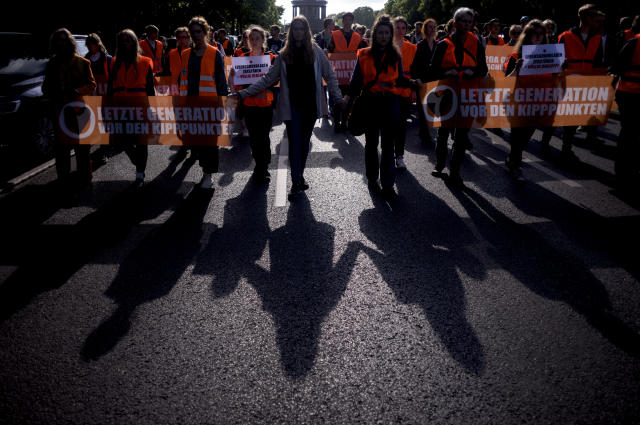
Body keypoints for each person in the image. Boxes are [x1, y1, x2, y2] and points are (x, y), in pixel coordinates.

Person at [234, 15, 343, 200]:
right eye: (296, 29)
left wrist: (337, 97)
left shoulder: (316, 51)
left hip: (310, 106)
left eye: (302, 28)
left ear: (306, 31)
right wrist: (242, 93)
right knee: (295, 143)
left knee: (304, 144)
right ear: (292, 32)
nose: (299, 32)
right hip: (291, 106)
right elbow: (268, 79)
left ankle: (299, 174)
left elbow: (330, 75)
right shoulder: (284, 55)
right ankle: (296, 180)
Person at [347, 14, 415, 199]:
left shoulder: (396, 54)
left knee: (388, 145)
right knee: (371, 144)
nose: (383, 36)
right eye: (380, 33)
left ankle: (388, 183)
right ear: (374, 35)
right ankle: (371, 177)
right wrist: (347, 99)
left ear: (390, 35)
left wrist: (412, 83)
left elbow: (400, 78)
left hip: (390, 102)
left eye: (387, 33)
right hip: (370, 102)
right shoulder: (364, 54)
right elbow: (356, 81)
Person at [428, 7, 488, 187]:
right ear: (455, 23)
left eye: (470, 22)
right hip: (446, 95)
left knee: (461, 136)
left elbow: (483, 68)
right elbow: (433, 70)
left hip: (467, 95)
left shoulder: (476, 42)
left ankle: (455, 171)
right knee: (443, 133)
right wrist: (448, 71)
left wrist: (473, 71)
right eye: (463, 21)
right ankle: (439, 164)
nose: (467, 25)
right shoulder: (443, 44)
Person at [179, 16, 229, 190]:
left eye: (198, 32)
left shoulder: (214, 53)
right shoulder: (185, 54)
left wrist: (223, 105)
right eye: (192, 33)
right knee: (196, 142)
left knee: (209, 142)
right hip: (190, 105)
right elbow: (181, 81)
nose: (195, 35)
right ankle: (205, 167)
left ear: (206, 32)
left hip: (210, 105)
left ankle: (208, 174)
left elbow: (222, 83)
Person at [42, 28, 96, 187]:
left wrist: (77, 91)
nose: (61, 43)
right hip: (60, 112)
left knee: (83, 149)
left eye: (64, 39)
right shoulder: (51, 64)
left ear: (70, 42)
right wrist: (54, 92)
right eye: (58, 40)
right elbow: (45, 88)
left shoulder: (83, 62)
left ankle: (85, 178)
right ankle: (63, 179)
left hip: (80, 111)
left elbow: (92, 84)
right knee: (62, 149)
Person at [558, 3, 606, 162]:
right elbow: (556, 60)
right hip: (568, 82)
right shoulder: (565, 36)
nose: (595, 18)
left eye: (595, 15)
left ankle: (567, 146)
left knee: (577, 116)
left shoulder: (597, 38)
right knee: (568, 117)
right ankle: (564, 148)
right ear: (582, 17)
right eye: (592, 15)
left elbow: (598, 62)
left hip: (586, 83)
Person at [107, 29, 155, 185]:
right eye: (122, 40)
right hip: (121, 107)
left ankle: (140, 173)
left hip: (140, 106)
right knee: (123, 140)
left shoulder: (145, 62)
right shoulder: (114, 61)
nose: (124, 43)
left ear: (134, 42)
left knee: (141, 141)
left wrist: (153, 109)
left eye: (128, 40)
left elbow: (150, 89)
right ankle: (137, 161)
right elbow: (110, 87)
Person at [503, 20, 549, 179]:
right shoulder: (516, 56)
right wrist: (516, 69)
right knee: (517, 137)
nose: (537, 37)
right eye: (534, 33)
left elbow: (554, 81)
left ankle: (512, 158)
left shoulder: (550, 56)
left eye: (541, 34)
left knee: (525, 138)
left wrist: (561, 69)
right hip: (518, 103)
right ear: (527, 35)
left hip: (537, 104)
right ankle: (515, 165)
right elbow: (506, 81)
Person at [231, 26, 277, 183]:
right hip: (249, 105)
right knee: (254, 138)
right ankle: (259, 163)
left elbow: (278, 81)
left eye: (257, 38)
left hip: (266, 105)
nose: (254, 41)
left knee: (263, 137)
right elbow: (236, 83)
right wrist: (234, 78)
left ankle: (263, 167)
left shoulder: (271, 58)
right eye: (251, 38)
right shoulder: (242, 58)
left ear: (263, 40)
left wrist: (272, 73)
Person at [610, 22, 640, 191]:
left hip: (629, 93)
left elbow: (616, 66)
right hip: (630, 94)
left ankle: (626, 171)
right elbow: (617, 66)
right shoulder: (634, 42)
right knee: (630, 133)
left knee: (630, 133)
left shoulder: (634, 42)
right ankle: (624, 173)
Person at [328, 12, 368, 132]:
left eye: (350, 19)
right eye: (345, 19)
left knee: (349, 99)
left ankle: (344, 121)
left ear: (352, 21)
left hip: (351, 72)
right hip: (338, 71)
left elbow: (361, 52)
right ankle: (336, 122)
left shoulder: (357, 36)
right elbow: (330, 50)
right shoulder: (334, 34)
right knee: (337, 98)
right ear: (342, 21)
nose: (347, 21)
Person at [392, 16, 417, 170]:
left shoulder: (412, 48)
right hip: (387, 89)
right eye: (398, 27)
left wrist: (414, 90)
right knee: (389, 125)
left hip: (405, 90)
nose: (401, 31)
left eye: (403, 28)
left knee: (401, 125)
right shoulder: (386, 45)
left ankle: (399, 156)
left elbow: (415, 71)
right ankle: (389, 154)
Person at [84, 33, 112, 166]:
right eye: (88, 44)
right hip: (91, 95)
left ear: (98, 43)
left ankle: (104, 151)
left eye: (92, 43)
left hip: (105, 95)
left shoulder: (108, 59)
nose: (90, 46)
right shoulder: (86, 59)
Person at [411, 18, 438, 144]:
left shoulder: (439, 44)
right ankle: (424, 134)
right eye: (430, 27)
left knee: (432, 108)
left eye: (434, 27)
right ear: (425, 29)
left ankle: (428, 130)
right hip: (423, 81)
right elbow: (415, 65)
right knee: (423, 109)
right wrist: (417, 79)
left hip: (435, 82)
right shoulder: (420, 45)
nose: (432, 29)